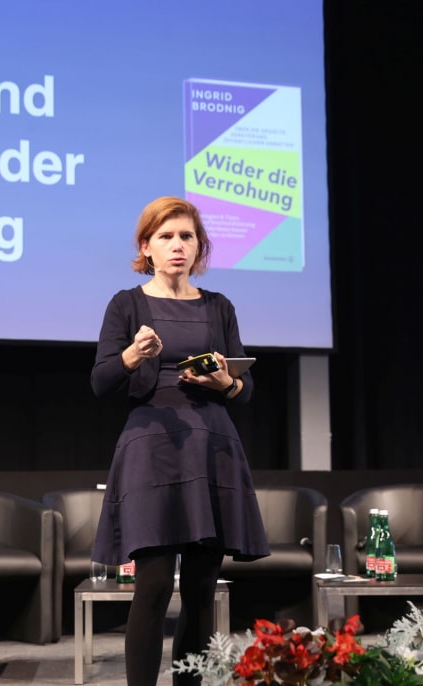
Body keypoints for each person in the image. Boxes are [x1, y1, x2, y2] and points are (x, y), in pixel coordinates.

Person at [90, 196, 270, 686]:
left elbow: (245, 388)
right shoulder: (126, 304)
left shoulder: (219, 307)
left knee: (201, 589)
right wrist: (131, 356)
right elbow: (101, 381)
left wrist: (225, 383)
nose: (177, 245)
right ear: (146, 247)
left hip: (212, 446)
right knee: (151, 587)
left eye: (186, 236)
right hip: (151, 447)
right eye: (165, 236)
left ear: (199, 246)